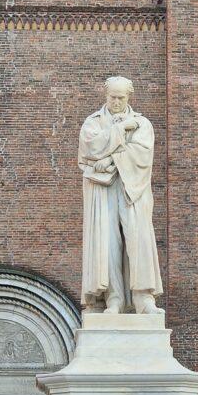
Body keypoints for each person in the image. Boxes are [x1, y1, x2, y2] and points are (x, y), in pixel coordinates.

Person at [79, 76, 163, 314]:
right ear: (105, 96)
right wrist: (120, 131)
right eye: (112, 97)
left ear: (129, 97)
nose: (116, 102)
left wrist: (108, 159)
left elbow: (142, 154)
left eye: (121, 98)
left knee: (138, 241)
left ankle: (143, 299)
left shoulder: (142, 123)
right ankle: (113, 298)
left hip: (132, 188)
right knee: (107, 244)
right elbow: (89, 147)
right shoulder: (93, 122)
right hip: (102, 191)